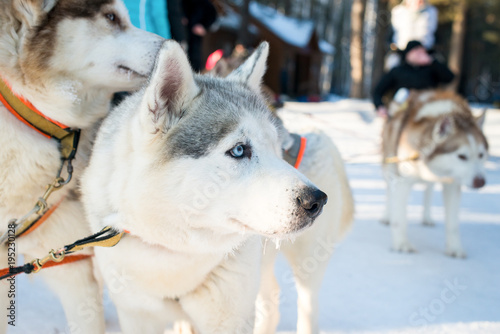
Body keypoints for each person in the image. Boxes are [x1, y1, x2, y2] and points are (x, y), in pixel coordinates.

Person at [373, 40, 455, 117]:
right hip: (403, 109)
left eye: (423, 52)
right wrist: (379, 106)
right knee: (403, 93)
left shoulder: (431, 69)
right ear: (408, 53)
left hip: (427, 108)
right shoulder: (397, 71)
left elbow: (449, 78)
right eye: (417, 51)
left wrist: (432, 62)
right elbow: (378, 91)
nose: (421, 54)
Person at [182, 0, 218, 72]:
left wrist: (204, 27)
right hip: (182, 34)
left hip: (195, 38)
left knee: (194, 60)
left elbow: (212, 17)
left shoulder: (206, 4)